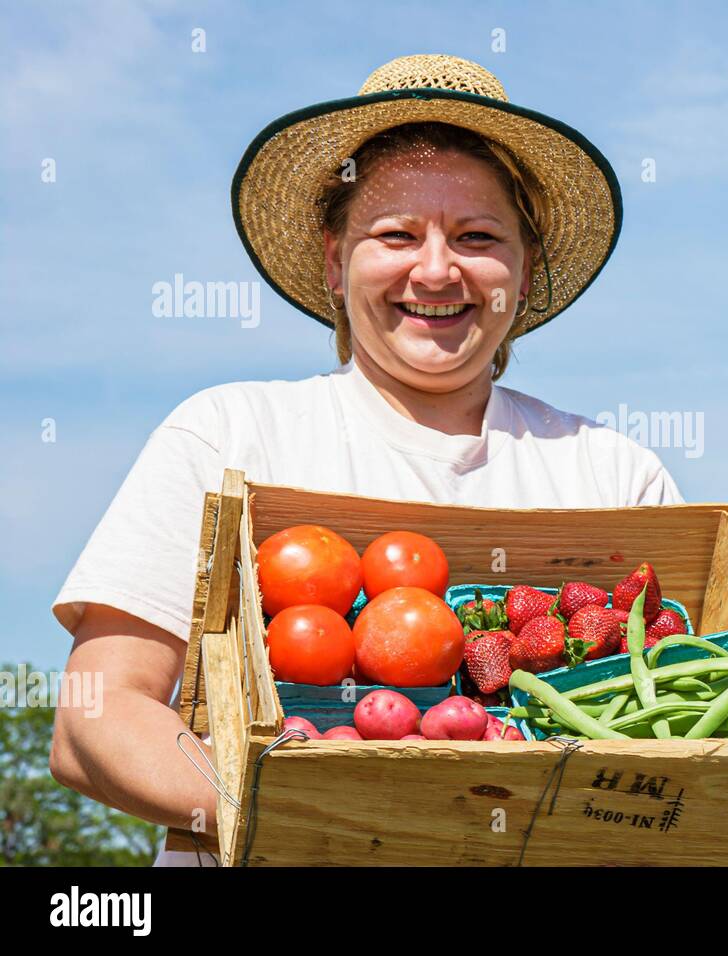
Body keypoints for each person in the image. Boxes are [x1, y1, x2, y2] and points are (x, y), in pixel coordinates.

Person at [47, 54, 682, 866]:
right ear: (333, 261)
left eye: (478, 237)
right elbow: (93, 720)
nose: (437, 269)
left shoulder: (614, 473)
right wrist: (325, 818)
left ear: (522, 276)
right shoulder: (229, 434)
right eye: (396, 234)